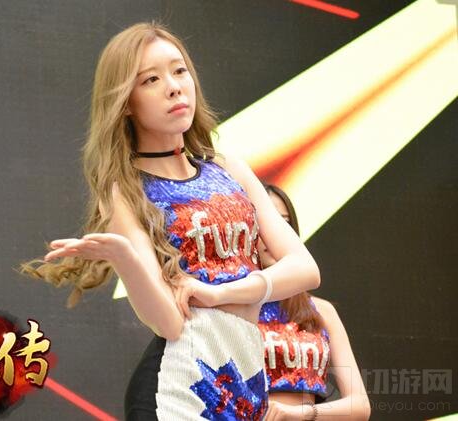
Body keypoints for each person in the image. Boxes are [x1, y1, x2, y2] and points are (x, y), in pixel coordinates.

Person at [19, 22, 320, 420]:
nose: (174, 87)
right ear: (126, 102)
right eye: (151, 80)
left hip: (245, 382)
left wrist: (222, 294)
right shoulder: (125, 189)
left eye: (179, 71)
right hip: (178, 387)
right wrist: (125, 258)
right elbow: (169, 323)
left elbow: (305, 270)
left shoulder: (228, 168)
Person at [259, 184, 370, 420]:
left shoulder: (321, 311)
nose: (274, 234)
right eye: (264, 223)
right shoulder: (230, 306)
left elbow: (359, 405)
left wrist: (303, 413)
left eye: (284, 223)